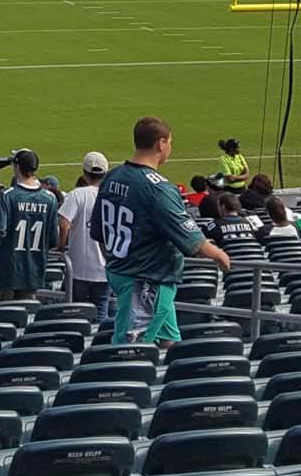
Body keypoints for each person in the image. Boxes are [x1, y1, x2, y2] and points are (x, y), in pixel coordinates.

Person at [96, 116, 234, 346]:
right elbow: (192, 239)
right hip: (147, 280)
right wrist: (220, 256)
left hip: (120, 270)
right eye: (170, 142)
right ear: (160, 143)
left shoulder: (112, 176)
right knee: (129, 350)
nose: (170, 148)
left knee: (169, 341)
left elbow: (99, 232)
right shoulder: (158, 188)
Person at [0, 150, 58, 298]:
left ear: (17, 167)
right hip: (34, 271)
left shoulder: (8, 196)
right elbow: (53, 239)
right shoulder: (50, 199)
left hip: (8, 270)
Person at [58, 151, 110, 315]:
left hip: (78, 268)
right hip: (104, 270)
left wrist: (60, 247)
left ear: (84, 173)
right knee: (101, 312)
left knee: (75, 313)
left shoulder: (77, 194)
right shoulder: (112, 195)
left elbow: (64, 224)